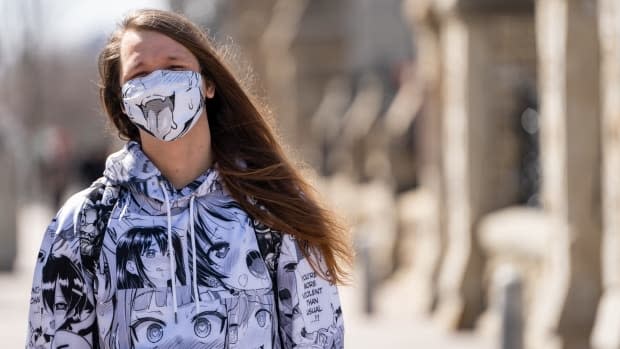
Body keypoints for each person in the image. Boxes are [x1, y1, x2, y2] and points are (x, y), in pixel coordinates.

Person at [26, 8, 352, 349]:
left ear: (208, 83)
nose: (159, 83)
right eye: (140, 73)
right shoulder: (82, 225)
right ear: (122, 101)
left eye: (174, 67)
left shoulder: (275, 208)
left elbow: (319, 339)